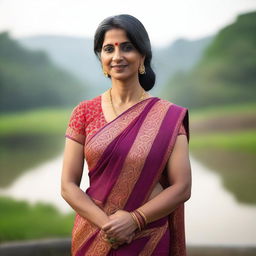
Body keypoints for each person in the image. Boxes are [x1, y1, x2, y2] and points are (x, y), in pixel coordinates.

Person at [61, 14, 191, 256]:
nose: (117, 56)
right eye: (108, 49)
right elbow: (68, 186)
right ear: (101, 58)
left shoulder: (168, 116)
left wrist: (134, 220)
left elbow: (182, 187)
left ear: (142, 56)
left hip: (147, 237)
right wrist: (108, 225)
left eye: (127, 48)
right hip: (94, 235)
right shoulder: (84, 112)